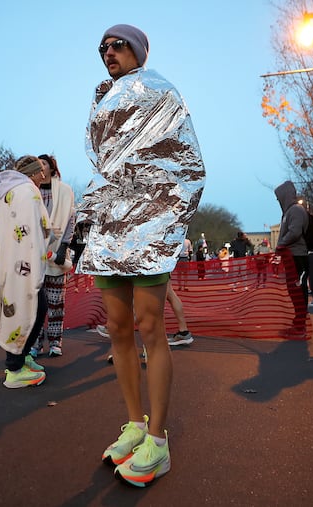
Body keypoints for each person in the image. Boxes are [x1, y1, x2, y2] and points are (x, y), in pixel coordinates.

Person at [77, 24, 205, 487]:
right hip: (112, 223)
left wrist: (167, 216)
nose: (108, 52)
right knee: (116, 327)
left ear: (137, 50)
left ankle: (158, 439)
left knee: (151, 324)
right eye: (102, 48)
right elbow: (100, 160)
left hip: (149, 220)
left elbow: (187, 162)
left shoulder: (161, 91)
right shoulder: (102, 97)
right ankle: (134, 424)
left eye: (117, 45)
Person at [0, 155, 50, 389]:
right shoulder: (28, 192)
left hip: (12, 262)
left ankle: (22, 355)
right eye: (39, 170)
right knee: (29, 309)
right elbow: (40, 228)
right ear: (30, 172)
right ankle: (15, 369)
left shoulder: (9, 193)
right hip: (25, 264)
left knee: (30, 307)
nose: (43, 174)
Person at [30, 154, 75, 358]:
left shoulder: (65, 191)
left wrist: (63, 249)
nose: (41, 167)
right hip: (35, 257)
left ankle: (56, 342)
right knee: (36, 305)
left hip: (56, 256)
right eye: (38, 165)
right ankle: (36, 343)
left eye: (44, 163)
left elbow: (71, 220)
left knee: (56, 303)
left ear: (51, 168)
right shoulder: (31, 192)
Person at [274, 180, 309, 333]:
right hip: (292, 256)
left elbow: (295, 232)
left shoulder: (294, 210)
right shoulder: (289, 212)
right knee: (294, 290)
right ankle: (298, 321)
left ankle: (300, 323)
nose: (278, 201)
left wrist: (281, 243)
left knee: (297, 289)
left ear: (285, 196)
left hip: (297, 256)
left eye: (279, 197)